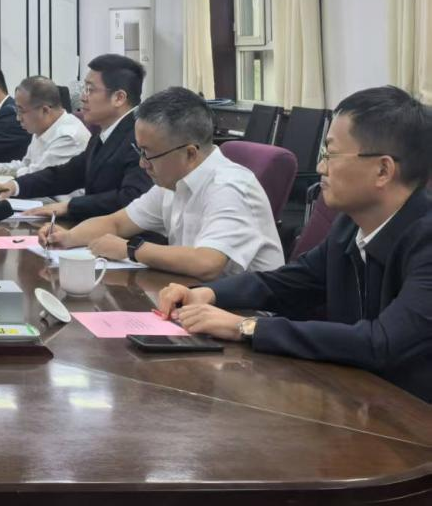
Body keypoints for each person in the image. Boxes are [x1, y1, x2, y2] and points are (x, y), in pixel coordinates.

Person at [159, 86, 432, 402]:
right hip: (359, 397)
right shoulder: (350, 225)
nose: (320, 168)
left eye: (330, 154)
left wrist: (247, 327)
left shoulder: (425, 240)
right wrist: (209, 293)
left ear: (383, 170)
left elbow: (381, 343)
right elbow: (289, 282)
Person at [40, 87, 284, 278]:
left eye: (149, 153)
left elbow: (207, 262)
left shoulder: (229, 188)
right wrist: (67, 237)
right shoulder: (171, 183)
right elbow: (117, 223)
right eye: (139, 151)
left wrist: (130, 250)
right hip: (195, 297)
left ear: (190, 153)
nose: (142, 163)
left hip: (246, 315)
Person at [0, 54, 152, 220]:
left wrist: (69, 206)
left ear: (119, 98)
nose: (82, 97)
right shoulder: (104, 133)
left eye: (90, 90)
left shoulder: (139, 137)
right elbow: (68, 174)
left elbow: (131, 198)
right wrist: (16, 186)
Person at [0, 76, 88, 183]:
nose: (18, 118)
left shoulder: (68, 137)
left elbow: (35, 176)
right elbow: (25, 165)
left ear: (44, 110)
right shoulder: (42, 128)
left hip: (55, 200)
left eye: (21, 111)